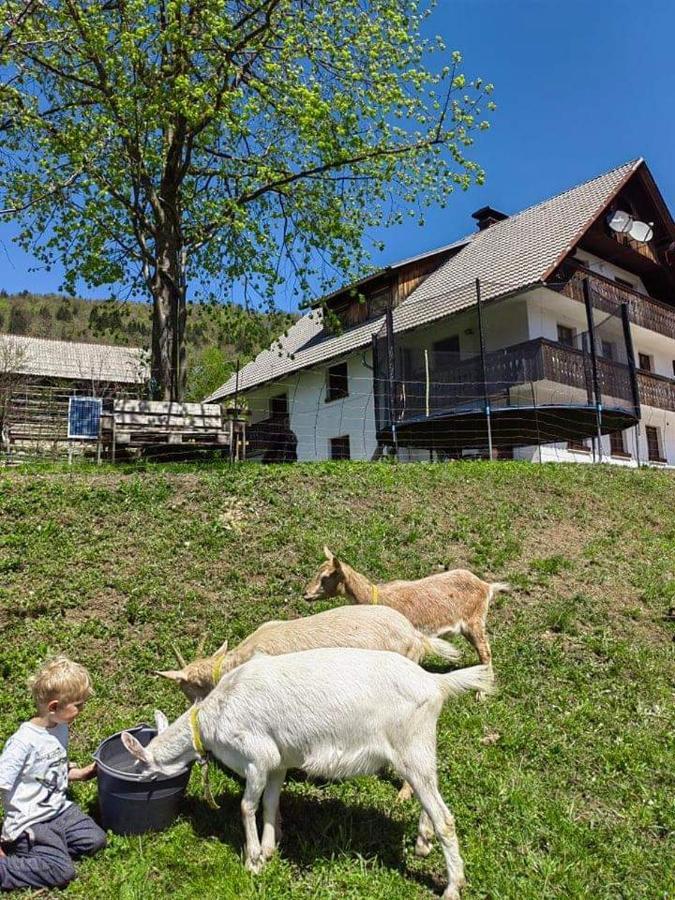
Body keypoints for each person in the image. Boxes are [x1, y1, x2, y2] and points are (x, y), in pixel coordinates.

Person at [0, 657, 106, 890]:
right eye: (78, 705)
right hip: (33, 820)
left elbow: (50, 772)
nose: (82, 710)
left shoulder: (60, 727)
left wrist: (80, 774)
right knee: (63, 872)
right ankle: (10, 866)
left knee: (96, 840)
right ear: (54, 707)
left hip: (59, 810)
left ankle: (44, 852)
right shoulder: (22, 743)